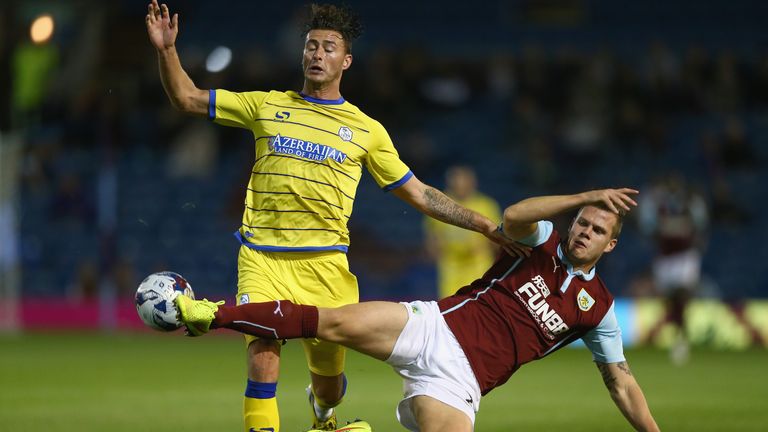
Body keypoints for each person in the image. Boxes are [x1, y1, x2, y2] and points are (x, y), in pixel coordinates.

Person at [144, 2, 527, 431]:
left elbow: (419, 193)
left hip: (326, 266)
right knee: (263, 356)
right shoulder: (266, 106)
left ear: (345, 61)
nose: (317, 54)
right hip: (262, 257)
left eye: (328, 47)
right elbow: (186, 98)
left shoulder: (366, 130)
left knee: (328, 385)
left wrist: (484, 225)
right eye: (311, 46)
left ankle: (323, 414)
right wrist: (166, 50)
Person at [175, 188, 660, 432]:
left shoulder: (599, 310)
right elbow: (513, 216)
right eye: (582, 222)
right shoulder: (543, 242)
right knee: (331, 320)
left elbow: (620, 380)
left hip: (458, 383)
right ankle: (209, 316)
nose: (583, 231)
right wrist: (586, 195)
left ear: (610, 245)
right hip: (432, 327)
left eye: (596, 230)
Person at [639, 173, 708, 365]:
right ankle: (677, 335)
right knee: (669, 300)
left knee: (682, 295)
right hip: (665, 259)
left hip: (684, 257)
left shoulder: (691, 202)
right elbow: (649, 228)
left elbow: (700, 226)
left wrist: (671, 230)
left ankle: (682, 339)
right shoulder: (656, 203)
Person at [424, 166, 502, 299]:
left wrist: (482, 248)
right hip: (451, 269)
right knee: (449, 307)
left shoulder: (486, 205)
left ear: (472, 183)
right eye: (456, 182)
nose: (460, 186)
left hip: (479, 266)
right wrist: (439, 251)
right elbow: (432, 240)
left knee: (479, 304)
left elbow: (497, 240)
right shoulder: (440, 205)